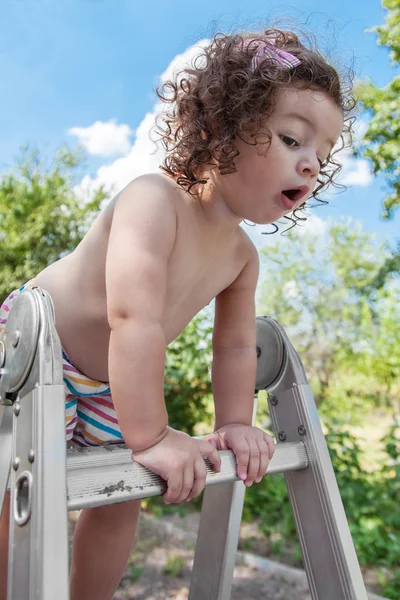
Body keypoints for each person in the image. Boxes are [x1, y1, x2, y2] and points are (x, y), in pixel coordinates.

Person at [0, 27, 352, 600]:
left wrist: (234, 422)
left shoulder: (242, 257)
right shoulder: (153, 200)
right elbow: (132, 317)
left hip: (118, 379)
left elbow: (234, 347)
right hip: (37, 352)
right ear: (220, 127)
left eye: (323, 154)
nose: (311, 164)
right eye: (293, 139)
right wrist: (153, 434)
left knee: (123, 498)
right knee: (16, 487)